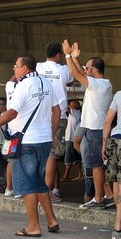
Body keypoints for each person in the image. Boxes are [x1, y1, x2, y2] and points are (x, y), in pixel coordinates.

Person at [0, 54, 60, 237]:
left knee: (27, 186)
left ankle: (33, 227)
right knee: (39, 182)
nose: (13, 68)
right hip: (43, 140)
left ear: (24, 68)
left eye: (16, 66)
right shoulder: (46, 84)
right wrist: (51, 133)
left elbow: (12, 113)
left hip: (26, 142)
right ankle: (52, 221)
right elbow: (57, 110)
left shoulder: (23, 86)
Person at [62, 39, 112, 208]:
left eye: (88, 67)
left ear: (95, 71)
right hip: (96, 130)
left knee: (96, 167)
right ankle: (109, 195)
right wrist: (75, 59)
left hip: (93, 131)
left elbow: (77, 75)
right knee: (98, 166)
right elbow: (81, 72)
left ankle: (98, 199)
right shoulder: (104, 84)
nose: (85, 69)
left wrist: (68, 55)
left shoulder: (97, 85)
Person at [36, 42, 74, 202]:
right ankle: (47, 193)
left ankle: (36, 189)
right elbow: (72, 81)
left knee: (39, 153)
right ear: (58, 55)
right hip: (58, 117)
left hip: (39, 115)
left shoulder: (37, 67)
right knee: (52, 155)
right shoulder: (64, 69)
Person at [102, 89, 121, 239]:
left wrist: (104, 144)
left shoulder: (120, 94)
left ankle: (120, 222)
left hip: (114, 139)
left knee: (116, 181)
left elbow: (108, 120)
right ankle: (118, 227)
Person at [61, 99, 82, 181]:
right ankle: (80, 174)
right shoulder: (76, 113)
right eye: (71, 103)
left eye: (74, 103)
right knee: (77, 158)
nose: (72, 104)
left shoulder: (75, 112)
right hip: (73, 138)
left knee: (68, 158)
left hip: (70, 138)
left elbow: (66, 107)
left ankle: (66, 176)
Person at [74, 122, 95, 203]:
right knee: (90, 190)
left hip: (100, 162)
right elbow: (75, 144)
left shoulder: (102, 121)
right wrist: (85, 157)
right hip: (88, 162)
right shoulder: (82, 124)